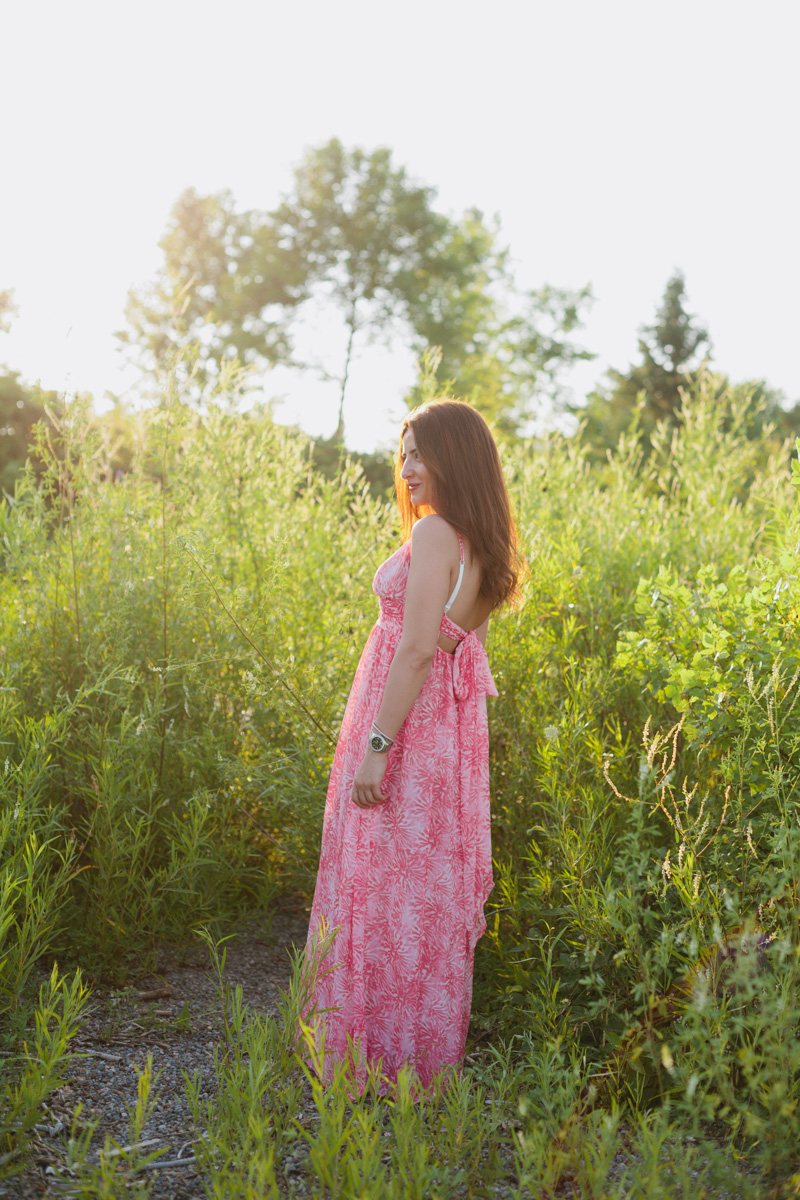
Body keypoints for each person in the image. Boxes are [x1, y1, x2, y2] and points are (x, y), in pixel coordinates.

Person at [303, 398, 521, 1093]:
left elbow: (420, 648)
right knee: (417, 900)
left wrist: (376, 745)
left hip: (405, 733)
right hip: (444, 748)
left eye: (420, 453)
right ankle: (413, 1067)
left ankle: (360, 1061)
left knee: (377, 891)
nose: (407, 468)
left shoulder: (435, 537)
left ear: (455, 457)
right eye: (403, 454)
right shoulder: (484, 549)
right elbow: (461, 651)